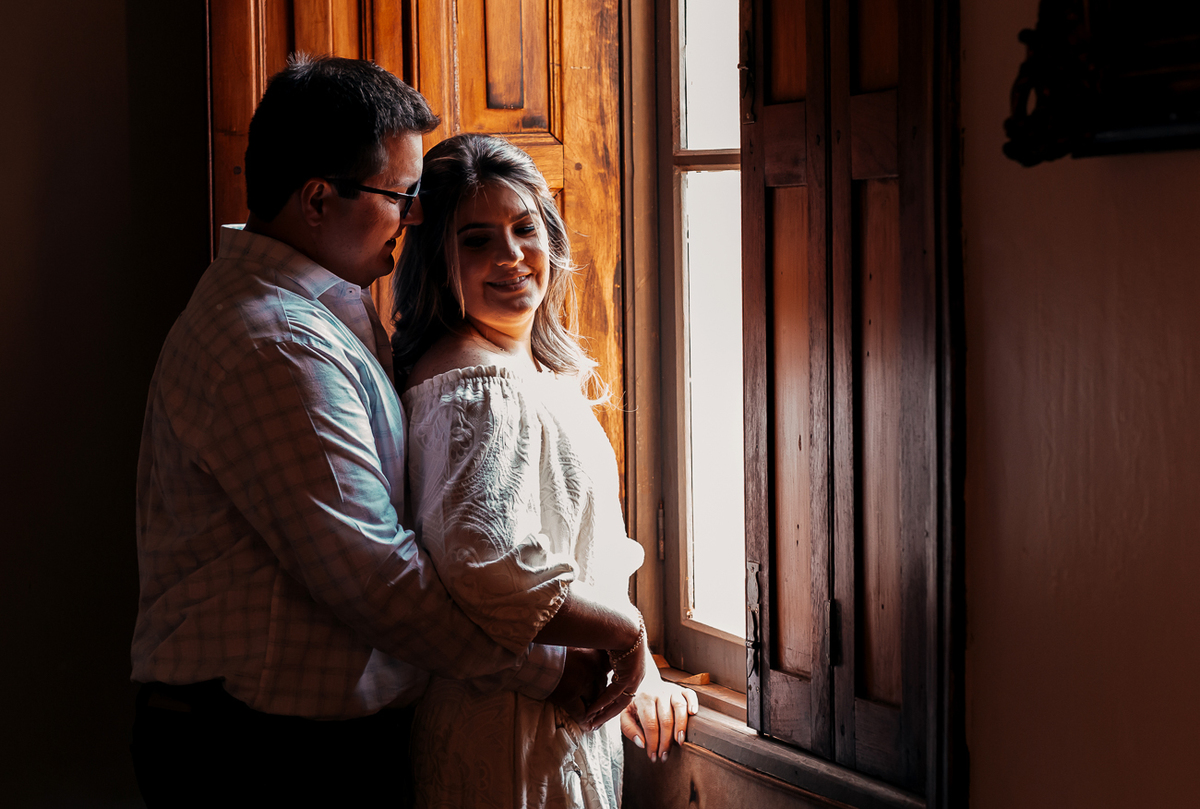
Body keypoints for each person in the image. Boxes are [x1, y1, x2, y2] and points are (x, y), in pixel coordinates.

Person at [130, 56, 617, 807]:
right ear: (317, 199)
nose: (416, 216)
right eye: (402, 195)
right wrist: (549, 667)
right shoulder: (277, 341)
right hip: (259, 755)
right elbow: (376, 579)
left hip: (287, 742)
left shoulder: (315, 313)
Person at [392, 133, 699, 809]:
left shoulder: (527, 369)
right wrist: (624, 633)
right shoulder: (476, 386)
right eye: (477, 240)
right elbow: (489, 565)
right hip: (507, 740)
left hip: (552, 729)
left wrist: (639, 670)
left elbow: (587, 547)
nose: (510, 255)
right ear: (439, 260)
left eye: (524, 228)